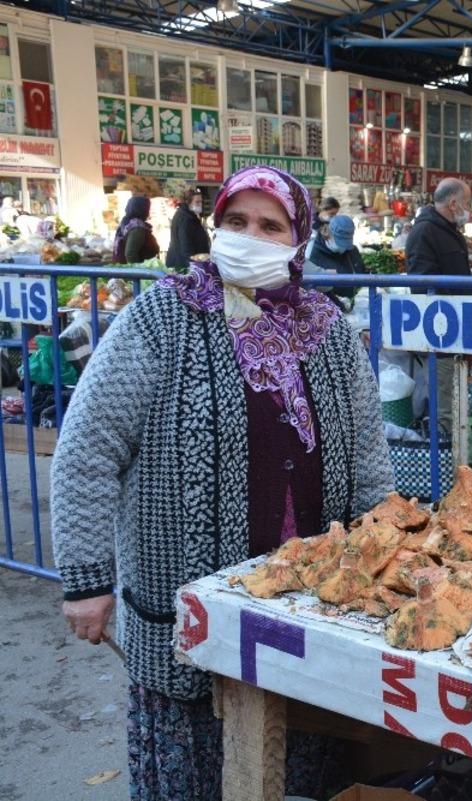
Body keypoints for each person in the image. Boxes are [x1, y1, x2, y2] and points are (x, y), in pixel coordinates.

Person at [52, 165, 391, 801]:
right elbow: (89, 445)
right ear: (216, 227)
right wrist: (86, 580)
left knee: (301, 771)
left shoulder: (329, 331)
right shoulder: (164, 318)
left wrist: (386, 559)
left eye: (270, 226)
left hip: (313, 616)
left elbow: (370, 459)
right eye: (236, 222)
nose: (249, 237)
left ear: (298, 240)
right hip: (190, 624)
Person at [404, 177, 472, 428]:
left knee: (456, 397)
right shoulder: (425, 231)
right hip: (443, 329)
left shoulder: (448, 230)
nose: (470, 208)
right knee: (446, 404)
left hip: (459, 326)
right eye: (467, 202)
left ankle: (460, 461)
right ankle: (445, 461)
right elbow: (422, 283)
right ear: (453, 203)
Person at [305, 214, 365, 313]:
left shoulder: (351, 251)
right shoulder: (312, 254)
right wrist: (340, 306)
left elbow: (361, 271)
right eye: (339, 241)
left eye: (346, 243)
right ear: (327, 233)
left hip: (357, 308)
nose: (343, 248)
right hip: (330, 311)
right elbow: (314, 291)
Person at [165, 189, 211, 271]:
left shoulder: (189, 216)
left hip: (186, 264)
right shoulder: (185, 219)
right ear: (188, 202)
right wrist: (192, 266)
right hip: (184, 266)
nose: (200, 204)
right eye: (197, 202)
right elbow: (185, 245)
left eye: (201, 202)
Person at [113, 196, 160, 264]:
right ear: (143, 210)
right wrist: (139, 272)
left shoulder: (127, 224)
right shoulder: (137, 228)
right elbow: (130, 254)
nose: (148, 212)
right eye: (148, 209)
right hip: (139, 271)